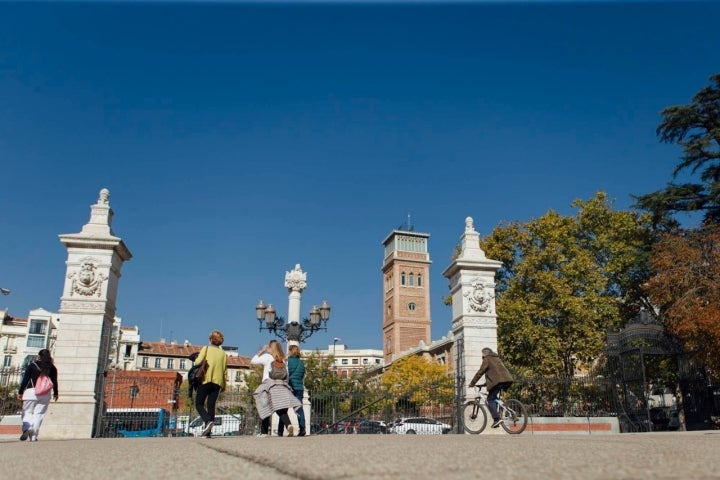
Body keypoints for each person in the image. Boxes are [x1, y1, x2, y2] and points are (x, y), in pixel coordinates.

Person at [251, 340, 300, 437]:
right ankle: (288, 424)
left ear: (270, 348)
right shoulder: (283, 360)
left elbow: (253, 361)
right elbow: (287, 376)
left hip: (269, 385)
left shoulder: (268, 357)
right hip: (281, 385)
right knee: (280, 409)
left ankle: (264, 432)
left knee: (265, 406)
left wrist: (262, 350)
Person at [18, 349, 59, 442]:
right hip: (45, 393)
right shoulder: (52, 368)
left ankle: (27, 427)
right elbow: (54, 382)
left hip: (31, 392)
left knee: (27, 412)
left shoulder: (32, 366)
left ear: (39, 356)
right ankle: (33, 436)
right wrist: (56, 393)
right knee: (39, 414)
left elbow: (25, 380)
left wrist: (20, 392)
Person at [469, 347, 513, 429]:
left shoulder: (487, 359)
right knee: (495, 398)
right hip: (507, 380)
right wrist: (486, 383)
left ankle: (497, 419)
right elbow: (495, 373)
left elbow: (480, 372)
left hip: (498, 381)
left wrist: (472, 383)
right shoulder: (497, 358)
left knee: (490, 400)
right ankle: (510, 413)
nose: (482, 358)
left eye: (482, 356)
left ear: (485, 354)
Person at [194, 330, 228, 438]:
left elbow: (197, 362)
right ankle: (208, 432)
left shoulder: (206, 348)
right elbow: (224, 370)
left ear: (210, 339)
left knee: (199, 404)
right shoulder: (223, 354)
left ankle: (207, 421)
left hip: (206, 379)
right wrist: (224, 385)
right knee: (211, 406)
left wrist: (196, 358)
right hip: (217, 382)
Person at [286, 344, 307, 437]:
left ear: (290, 351)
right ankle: (302, 428)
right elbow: (302, 376)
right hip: (299, 388)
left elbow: (286, 374)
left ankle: (281, 429)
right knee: (299, 409)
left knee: (283, 409)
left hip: (290, 387)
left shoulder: (288, 362)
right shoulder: (301, 363)